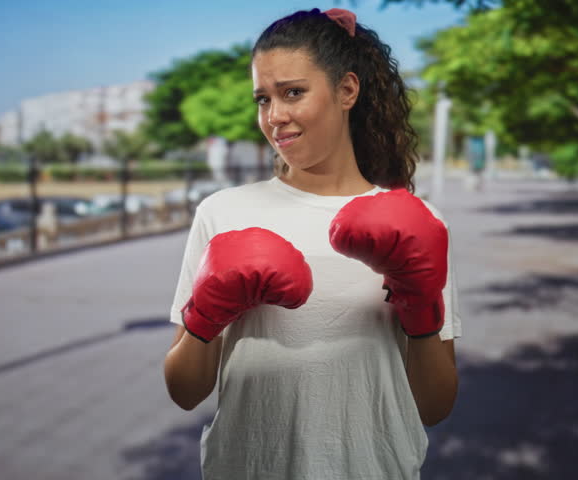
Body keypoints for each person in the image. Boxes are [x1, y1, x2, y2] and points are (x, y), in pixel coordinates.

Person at [163, 8, 461, 479]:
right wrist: (204, 317)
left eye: (293, 92)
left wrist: (420, 304)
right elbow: (183, 390)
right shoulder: (222, 212)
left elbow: (435, 404)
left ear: (347, 90)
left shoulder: (418, 223)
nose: (275, 116)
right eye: (263, 98)